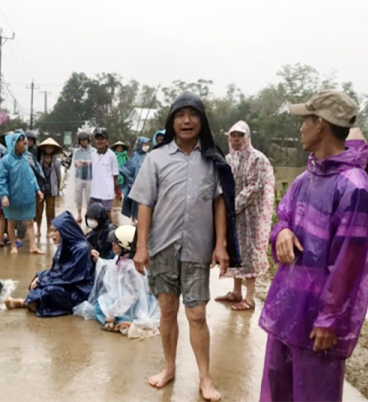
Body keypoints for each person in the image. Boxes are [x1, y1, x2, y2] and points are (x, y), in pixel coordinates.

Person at [128, 92, 240, 402]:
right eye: (180, 115)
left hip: (197, 249)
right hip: (162, 248)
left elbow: (220, 203)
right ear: (172, 121)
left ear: (201, 121)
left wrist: (220, 245)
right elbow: (145, 204)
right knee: (166, 311)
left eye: (193, 114)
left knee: (198, 315)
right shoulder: (156, 158)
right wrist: (141, 247)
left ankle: (205, 377)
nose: (186, 120)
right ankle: (169, 367)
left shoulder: (211, 159)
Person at [258, 91, 368, 402]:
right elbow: (283, 219)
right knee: (276, 390)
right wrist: (281, 232)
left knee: (314, 394)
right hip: (288, 306)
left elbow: (350, 262)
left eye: (305, 120)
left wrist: (328, 318)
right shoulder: (304, 180)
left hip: (319, 321)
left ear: (320, 124)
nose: (301, 128)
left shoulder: (354, 187)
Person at [215, 121, 275, 311]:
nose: (236, 139)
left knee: (249, 253)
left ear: (247, 137)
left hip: (251, 215)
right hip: (234, 215)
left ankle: (249, 298)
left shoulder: (258, 159)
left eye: (240, 135)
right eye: (233, 135)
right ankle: (236, 292)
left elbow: (255, 187)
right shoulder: (228, 159)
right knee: (236, 251)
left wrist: (233, 205)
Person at [5, 211, 95, 317]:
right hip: (67, 282)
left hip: (78, 288)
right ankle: (31, 302)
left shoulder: (81, 248)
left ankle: (24, 302)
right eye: (50, 230)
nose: (51, 234)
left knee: (50, 290)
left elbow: (68, 275)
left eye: (54, 231)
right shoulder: (64, 244)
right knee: (36, 283)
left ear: (64, 230)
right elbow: (56, 269)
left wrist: (44, 280)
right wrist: (40, 277)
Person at [75, 225, 159, 334]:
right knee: (100, 306)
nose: (112, 244)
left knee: (100, 310)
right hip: (127, 300)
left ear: (125, 245)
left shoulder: (130, 267)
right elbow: (111, 266)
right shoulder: (123, 259)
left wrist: (112, 314)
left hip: (136, 304)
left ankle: (127, 322)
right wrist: (99, 261)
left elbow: (132, 295)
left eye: (116, 242)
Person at [0, 132, 44, 255]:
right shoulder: (5, 161)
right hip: (12, 196)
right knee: (11, 222)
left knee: (29, 222)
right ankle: (13, 245)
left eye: (25, 143)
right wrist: (4, 195)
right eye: (22, 143)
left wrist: (37, 189)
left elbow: (31, 176)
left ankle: (33, 246)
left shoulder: (25, 159)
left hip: (27, 196)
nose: (25, 145)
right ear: (14, 144)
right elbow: (1, 179)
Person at [35, 138, 62, 239]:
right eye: (47, 147)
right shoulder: (39, 159)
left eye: (51, 148)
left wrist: (58, 189)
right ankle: (38, 229)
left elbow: (58, 176)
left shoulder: (56, 161)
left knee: (50, 211)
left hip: (51, 188)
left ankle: (49, 230)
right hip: (40, 187)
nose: (49, 149)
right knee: (39, 210)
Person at [120, 136, 151, 223]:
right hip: (136, 183)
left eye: (147, 144)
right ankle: (133, 218)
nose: (146, 146)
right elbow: (128, 168)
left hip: (146, 182)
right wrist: (131, 180)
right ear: (140, 145)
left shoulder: (149, 156)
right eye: (144, 144)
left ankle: (142, 218)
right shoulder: (135, 155)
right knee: (134, 202)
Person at [90, 130, 119, 216]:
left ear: (107, 140)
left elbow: (115, 174)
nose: (100, 141)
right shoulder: (93, 154)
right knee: (93, 215)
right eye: (98, 139)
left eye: (102, 139)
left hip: (106, 193)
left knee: (106, 215)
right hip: (94, 192)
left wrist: (111, 188)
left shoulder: (112, 155)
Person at [73, 131, 96, 224]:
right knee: (78, 197)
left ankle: (88, 214)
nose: (84, 142)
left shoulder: (93, 151)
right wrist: (80, 163)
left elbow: (95, 161)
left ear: (88, 140)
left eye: (85, 140)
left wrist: (89, 163)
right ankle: (79, 214)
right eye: (82, 140)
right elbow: (75, 163)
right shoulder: (77, 151)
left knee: (89, 197)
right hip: (79, 176)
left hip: (90, 177)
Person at [111, 141, 129, 210]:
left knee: (120, 191)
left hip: (122, 176)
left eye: (121, 148)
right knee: (114, 190)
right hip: (115, 175)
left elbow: (128, 164)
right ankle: (114, 204)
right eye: (118, 148)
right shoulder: (113, 156)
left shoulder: (125, 156)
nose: (119, 149)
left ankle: (117, 204)